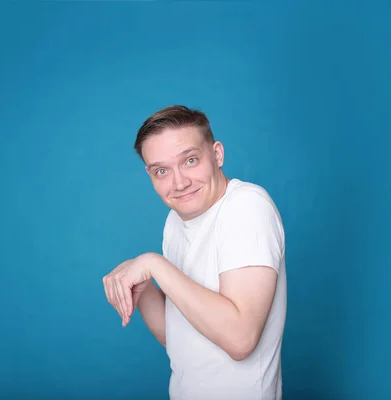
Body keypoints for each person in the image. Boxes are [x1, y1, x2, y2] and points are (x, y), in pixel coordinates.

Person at [102, 105, 287, 400]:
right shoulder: (175, 222)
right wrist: (143, 284)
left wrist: (154, 264)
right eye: (161, 170)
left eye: (190, 160)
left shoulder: (247, 207)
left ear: (217, 154)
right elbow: (180, 340)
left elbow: (240, 339)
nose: (179, 183)